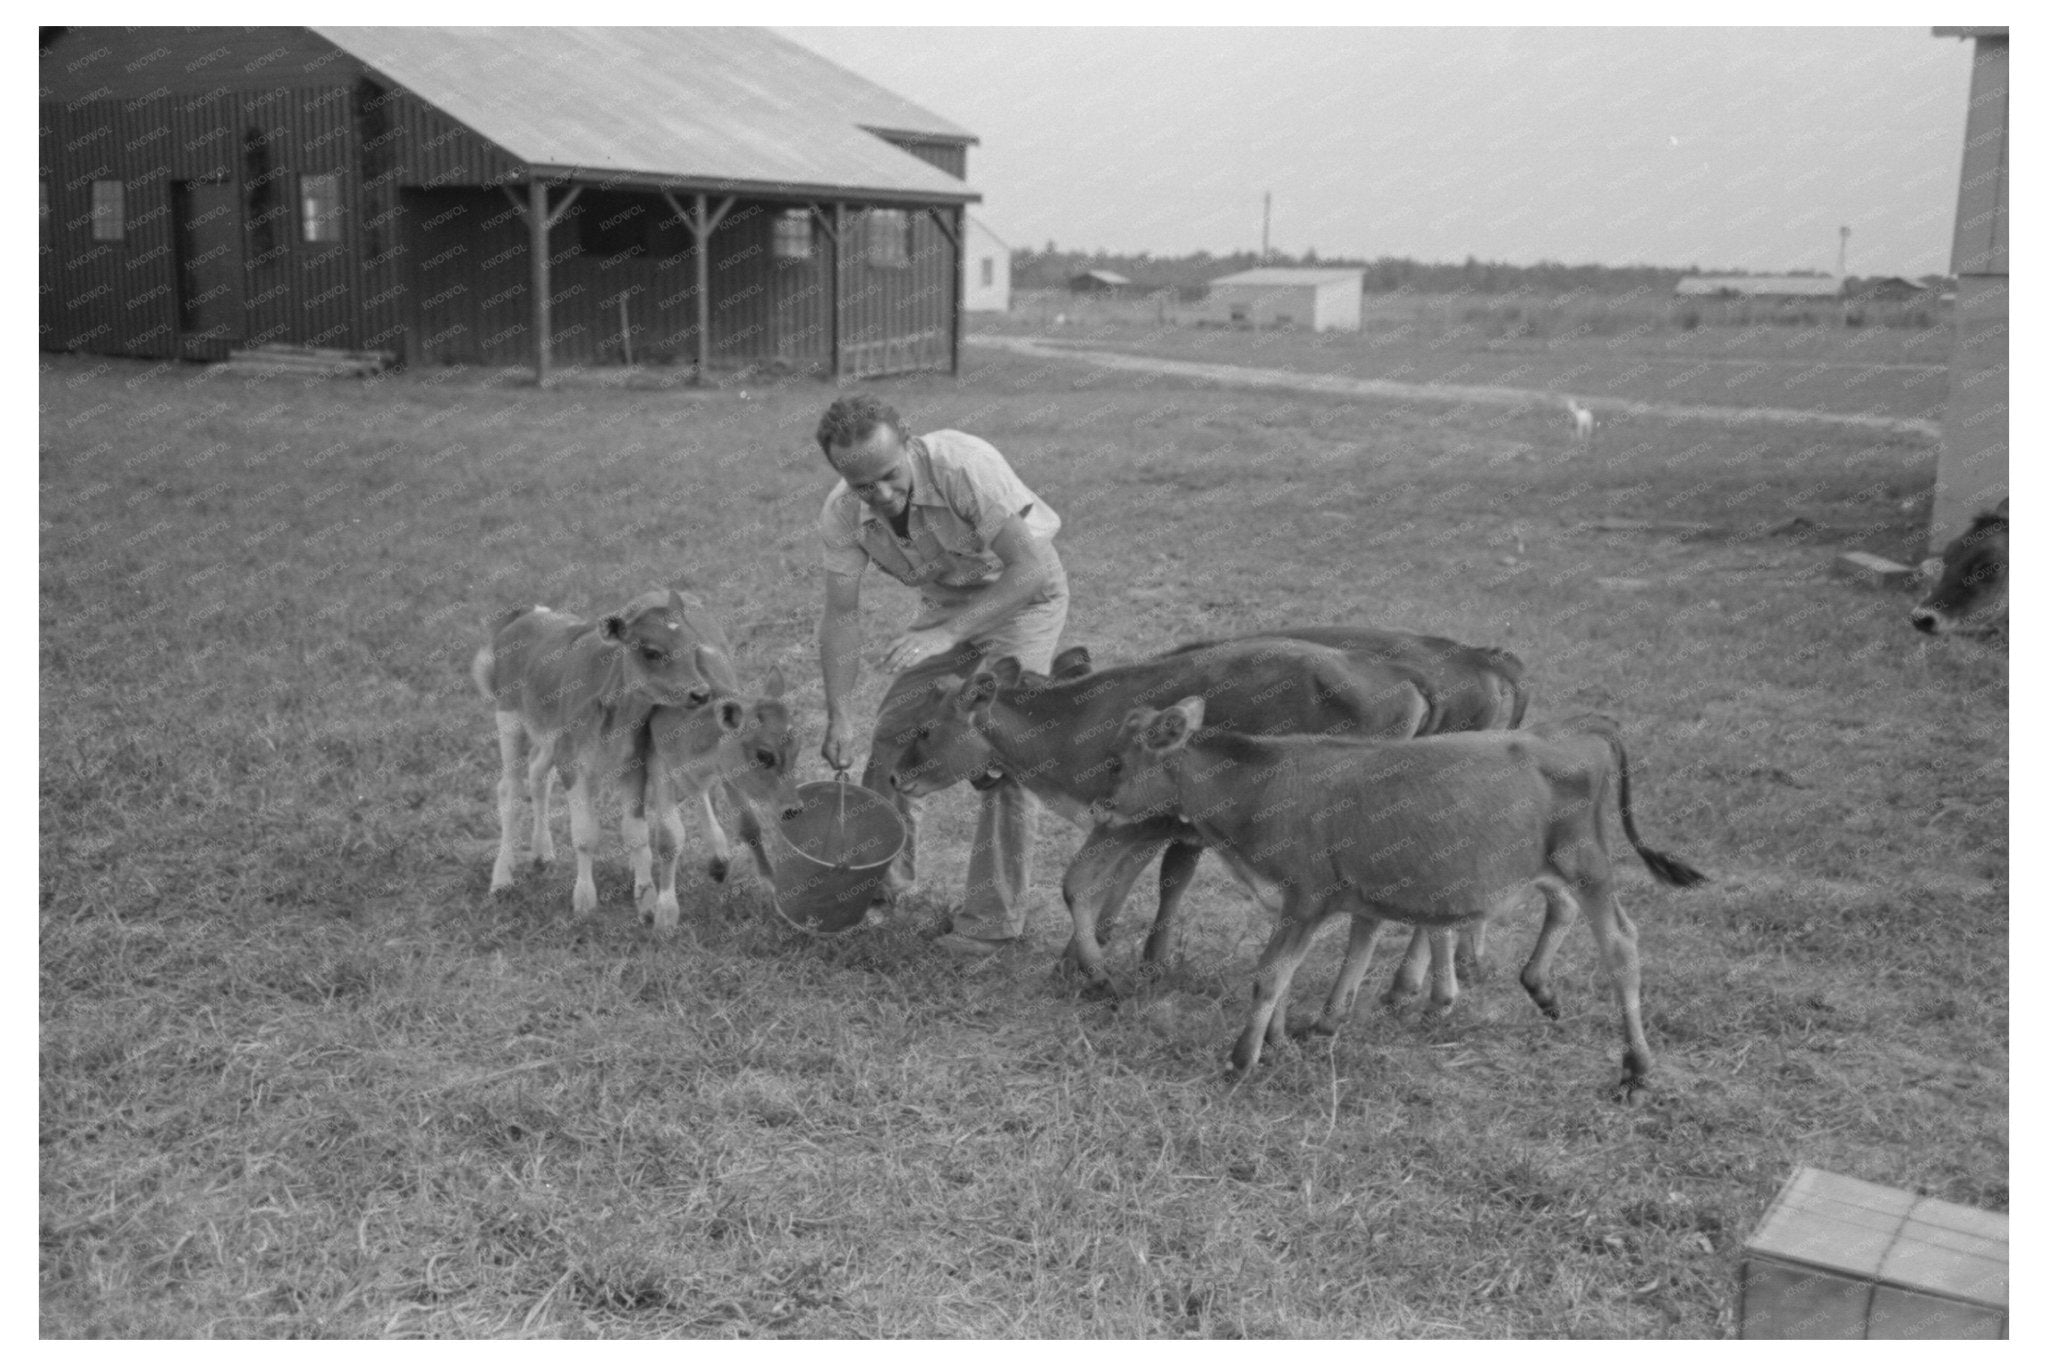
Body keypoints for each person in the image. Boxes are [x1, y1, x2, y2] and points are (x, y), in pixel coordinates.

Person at [814, 394, 1068, 959]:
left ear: (908, 442)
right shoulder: (841, 515)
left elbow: (1029, 570)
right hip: (948, 603)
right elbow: (841, 615)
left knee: (1003, 750)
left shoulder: (962, 465)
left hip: (1024, 596)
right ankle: (882, 887)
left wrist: (948, 636)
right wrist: (838, 713)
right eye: (862, 487)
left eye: (888, 476)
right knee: (890, 735)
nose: (879, 495)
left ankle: (991, 922)